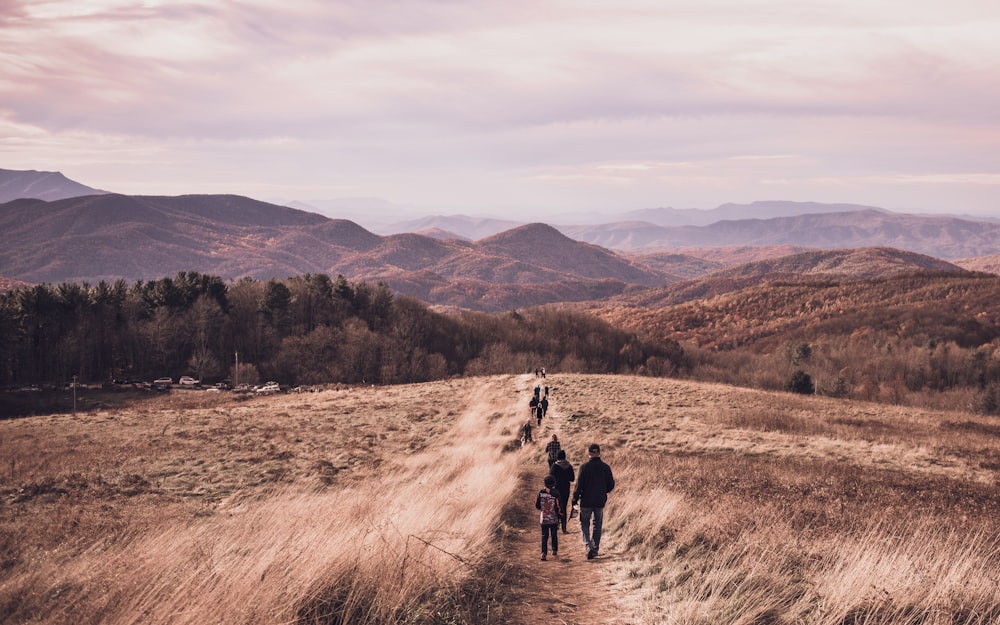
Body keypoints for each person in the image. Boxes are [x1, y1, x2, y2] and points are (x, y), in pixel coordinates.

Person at [572, 443, 615, 560]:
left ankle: (588, 545)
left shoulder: (584, 467)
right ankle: (595, 548)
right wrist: (603, 491)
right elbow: (611, 485)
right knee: (597, 524)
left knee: (584, 523)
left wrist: (575, 499)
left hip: (586, 500)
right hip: (600, 501)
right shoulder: (606, 467)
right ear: (599, 453)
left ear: (588, 453)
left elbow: (578, 485)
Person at [535, 474, 561, 560]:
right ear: (554, 483)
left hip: (544, 518)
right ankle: (554, 550)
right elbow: (559, 506)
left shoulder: (540, 492)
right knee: (554, 534)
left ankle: (543, 553)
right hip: (553, 518)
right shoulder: (556, 493)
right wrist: (560, 515)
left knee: (544, 536)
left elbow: (537, 505)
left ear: (544, 483)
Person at [549, 449, 575, 533]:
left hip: (556, 489)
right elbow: (572, 478)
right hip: (566, 489)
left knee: (556, 506)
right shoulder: (569, 466)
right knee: (563, 506)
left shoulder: (554, 466)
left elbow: (550, 479)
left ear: (557, 457)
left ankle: (556, 524)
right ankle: (564, 527)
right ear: (565, 456)